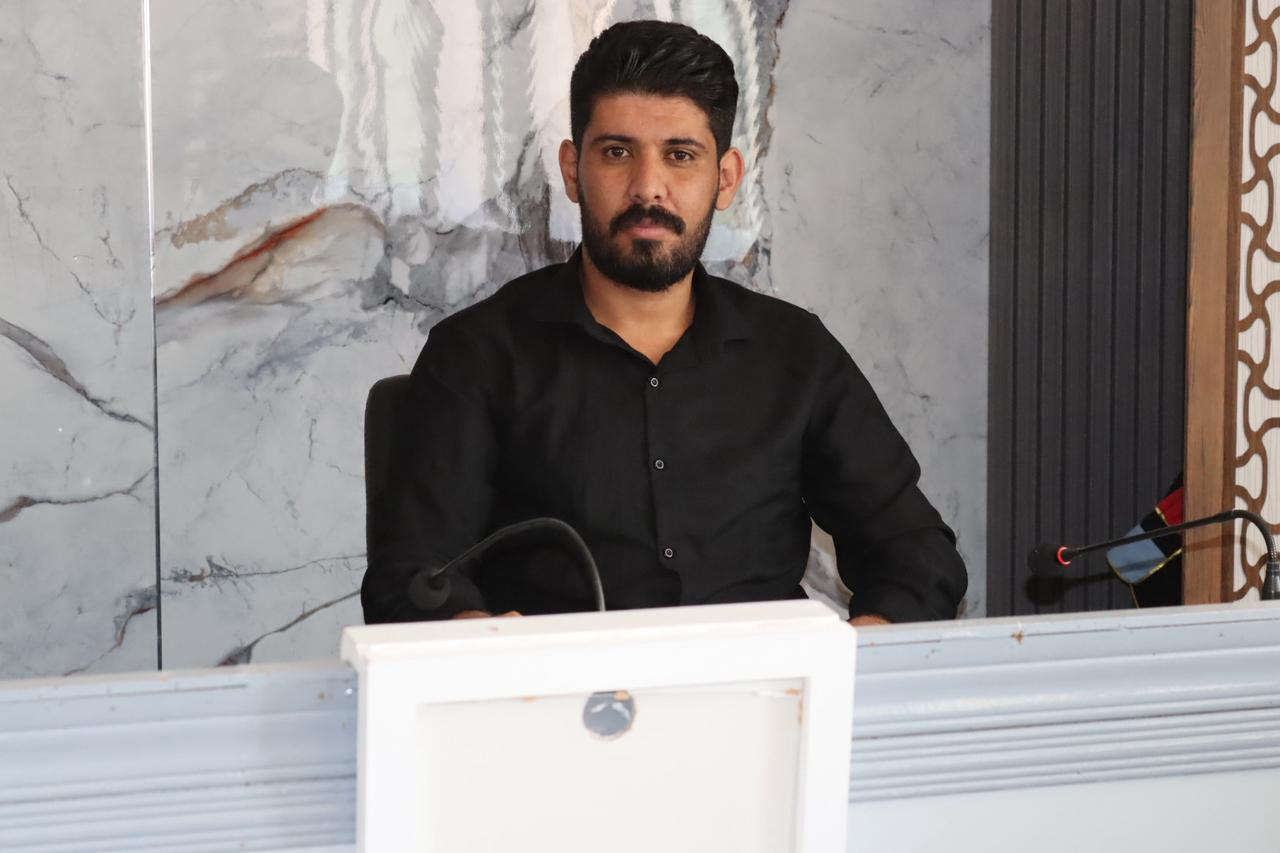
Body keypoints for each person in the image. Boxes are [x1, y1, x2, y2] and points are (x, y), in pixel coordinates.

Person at [362, 20, 967, 626]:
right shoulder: (477, 355)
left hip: (762, 682)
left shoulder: (794, 352)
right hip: (559, 682)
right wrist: (476, 637)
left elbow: (915, 552)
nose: (648, 188)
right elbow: (411, 576)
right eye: (617, 152)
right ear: (572, 170)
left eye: (680, 156)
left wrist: (859, 650)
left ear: (725, 178)